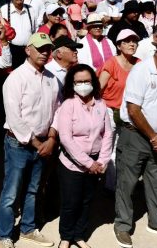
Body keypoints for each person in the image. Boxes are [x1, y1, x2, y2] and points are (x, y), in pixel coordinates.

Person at [113, 32, 157, 248]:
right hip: (135, 136)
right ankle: (123, 226)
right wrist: (154, 136)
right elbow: (133, 109)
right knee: (127, 182)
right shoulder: (141, 71)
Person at [0, 32, 60, 248]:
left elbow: (57, 110)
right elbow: (14, 117)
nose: (45, 53)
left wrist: (51, 137)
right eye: (40, 48)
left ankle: (27, 228)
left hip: (43, 142)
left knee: (33, 189)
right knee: (11, 192)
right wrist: (37, 143)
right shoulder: (15, 78)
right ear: (27, 50)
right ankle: (4, 234)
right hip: (19, 144)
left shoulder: (52, 78)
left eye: (48, 49)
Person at [54, 64, 111, 248]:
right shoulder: (68, 105)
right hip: (72, 164)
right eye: (78, 82)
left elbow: (108, 134)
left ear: (93, 81)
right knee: (71, 202)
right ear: (72, 84)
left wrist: (102, 161)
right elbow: (66, 138)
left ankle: (79, 235)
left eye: (87, 81)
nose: (83, 85)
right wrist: (88, 163)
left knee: (87, 201)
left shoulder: (101, 105)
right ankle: (66, 236)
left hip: (96, 162)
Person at [97, 29, 140, 193]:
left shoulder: (139, 63)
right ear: (118, 45)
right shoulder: (111, 63)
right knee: (110, 148)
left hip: (130, 113)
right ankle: (111, 186)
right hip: (110, 110)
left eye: (134, 41)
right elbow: (99, 90)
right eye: (127, 41)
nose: (132, 44)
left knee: (126, 150)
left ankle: (117, 184)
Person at [0, 0, 38, 68]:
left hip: (28, 49)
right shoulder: (4, 9)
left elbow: (34, 29)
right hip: (12, 50)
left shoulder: (30, 9)